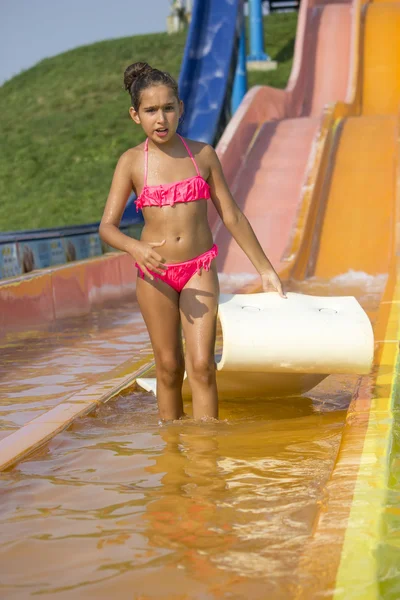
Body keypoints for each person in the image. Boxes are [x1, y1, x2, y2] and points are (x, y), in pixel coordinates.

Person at [99, 62, 286, 424]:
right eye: (151, 111)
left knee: (202, 366)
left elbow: (232, 216)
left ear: (181, 108)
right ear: (135, 115)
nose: (161, 118)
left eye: (168, 108)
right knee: (169, 367)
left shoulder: (202, 155)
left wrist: (266, 270)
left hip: (199, 268)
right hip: (155, 275)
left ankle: (206, 454)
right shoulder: (132, 163)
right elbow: (107, 228)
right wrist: (136, 248)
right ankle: (173, 452)